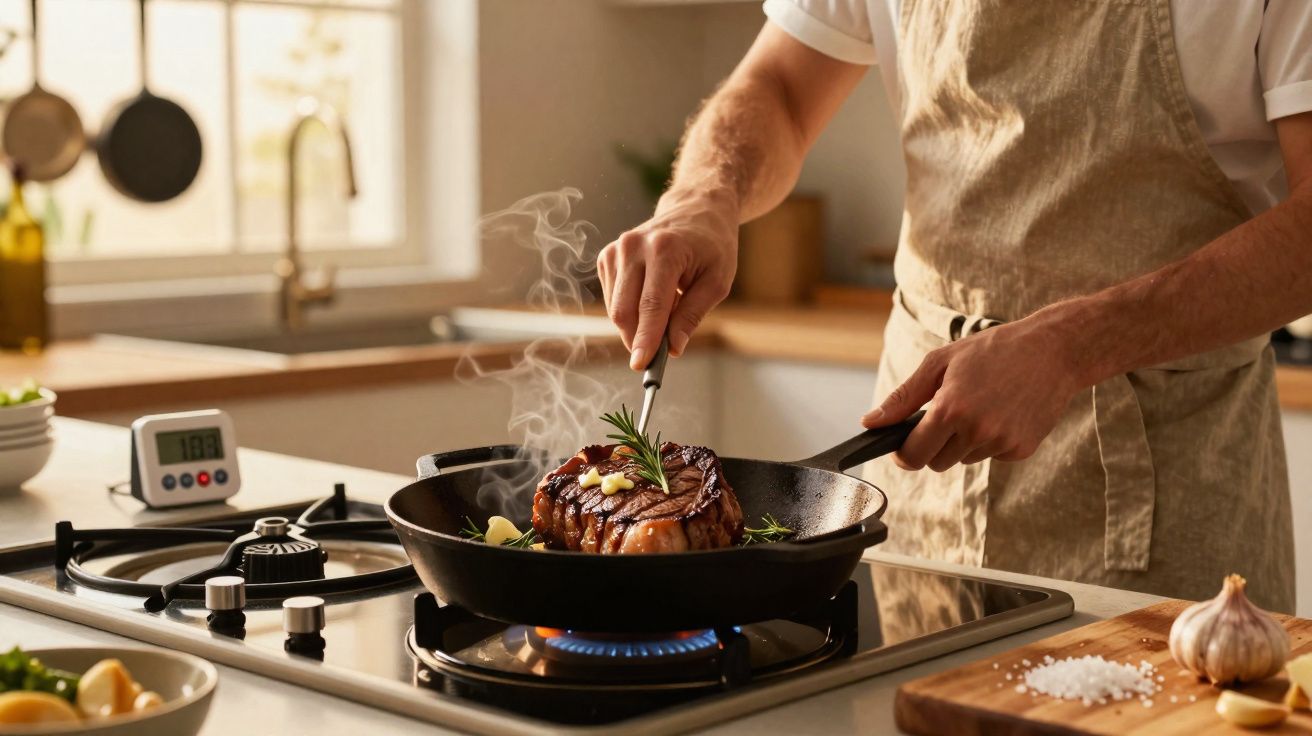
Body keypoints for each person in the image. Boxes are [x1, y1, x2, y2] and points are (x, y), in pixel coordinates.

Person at [594, 0, 1312, 612]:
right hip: (920, 478)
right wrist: (703, 196)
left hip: (1164, 483)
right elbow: (780, 85)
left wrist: (1071, 345)